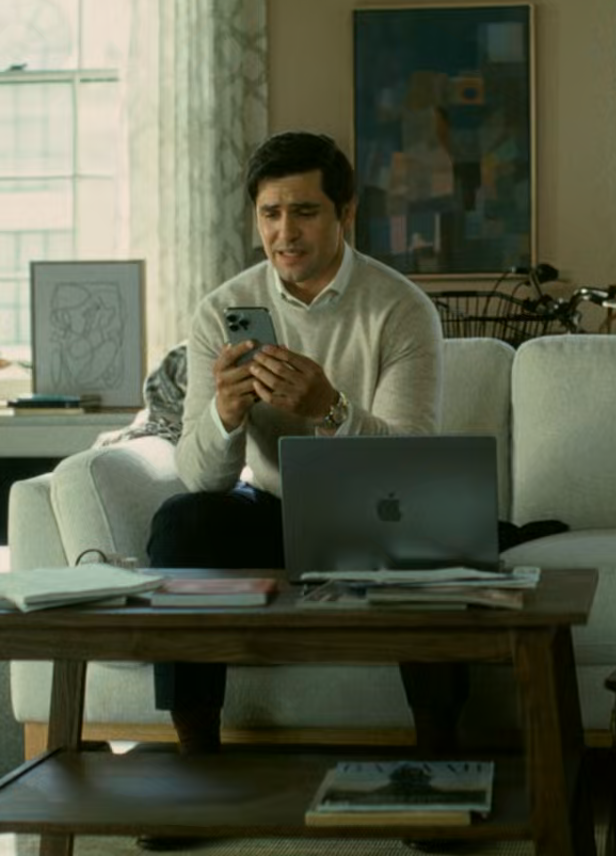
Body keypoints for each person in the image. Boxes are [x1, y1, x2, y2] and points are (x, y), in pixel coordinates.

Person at [146, 129, 456, 755]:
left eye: (305, 212)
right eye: (270, 214)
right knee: (182, 521)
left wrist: (329, 409)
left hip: (374, 515)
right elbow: (203, 480)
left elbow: (407, 464)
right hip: (274, 511)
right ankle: (197, 754)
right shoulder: (222, 310)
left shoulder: (401, 309)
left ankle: (440, 751)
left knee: (433, 537)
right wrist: (225, 414)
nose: (285, 233)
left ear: (346, 213)